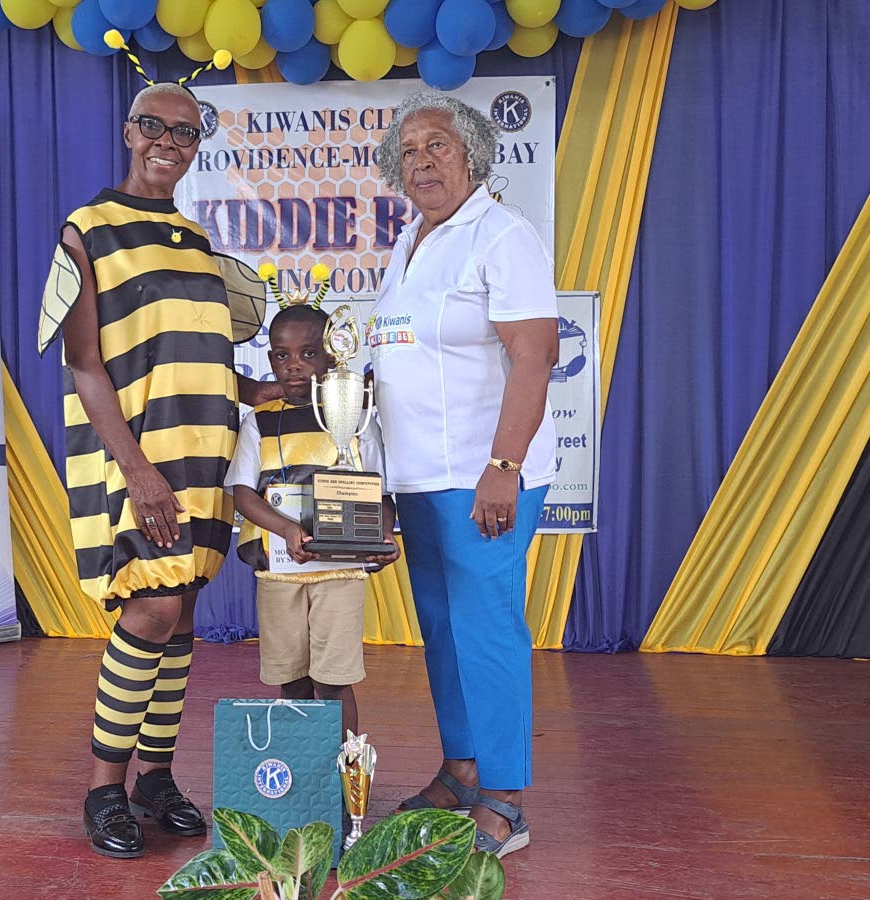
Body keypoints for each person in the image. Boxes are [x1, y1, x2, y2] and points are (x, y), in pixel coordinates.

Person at [38, 82, 278, 859]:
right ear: (129, 131)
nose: (169, 141)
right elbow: (87, 369)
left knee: (180, 619)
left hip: (203, 452)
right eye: (154, 126)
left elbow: (201, 358)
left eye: (185, 130)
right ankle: (105, 785)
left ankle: (156, 778)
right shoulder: (88, 229)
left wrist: (257, 391)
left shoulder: (197, 240)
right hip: (137, 454)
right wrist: (137, 471)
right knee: (146, 611)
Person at [368, 90, 560, 858]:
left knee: (487, 635)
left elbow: (534, 357)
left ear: (474, 156)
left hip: (484, 478)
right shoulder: (406, 244)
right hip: (418, 479)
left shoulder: (503, 235)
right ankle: (462, 767)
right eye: (409, 151)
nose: (422, 161)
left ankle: (506, 800)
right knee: (443, 633)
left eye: (438, 146)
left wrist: (504, 467)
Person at [224, 303, 398, 739]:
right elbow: (243, 492)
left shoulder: (356, 413)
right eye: (281, 356)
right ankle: (303, 776)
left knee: (334, 678)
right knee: (292, 678)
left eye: (308, 353)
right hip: (279, 572)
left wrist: (382, 532)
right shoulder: (259, 422)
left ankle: (344, 780)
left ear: (333, 355)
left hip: (338, 571)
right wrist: (285, 529)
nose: (294, 366)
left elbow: (379, 489)